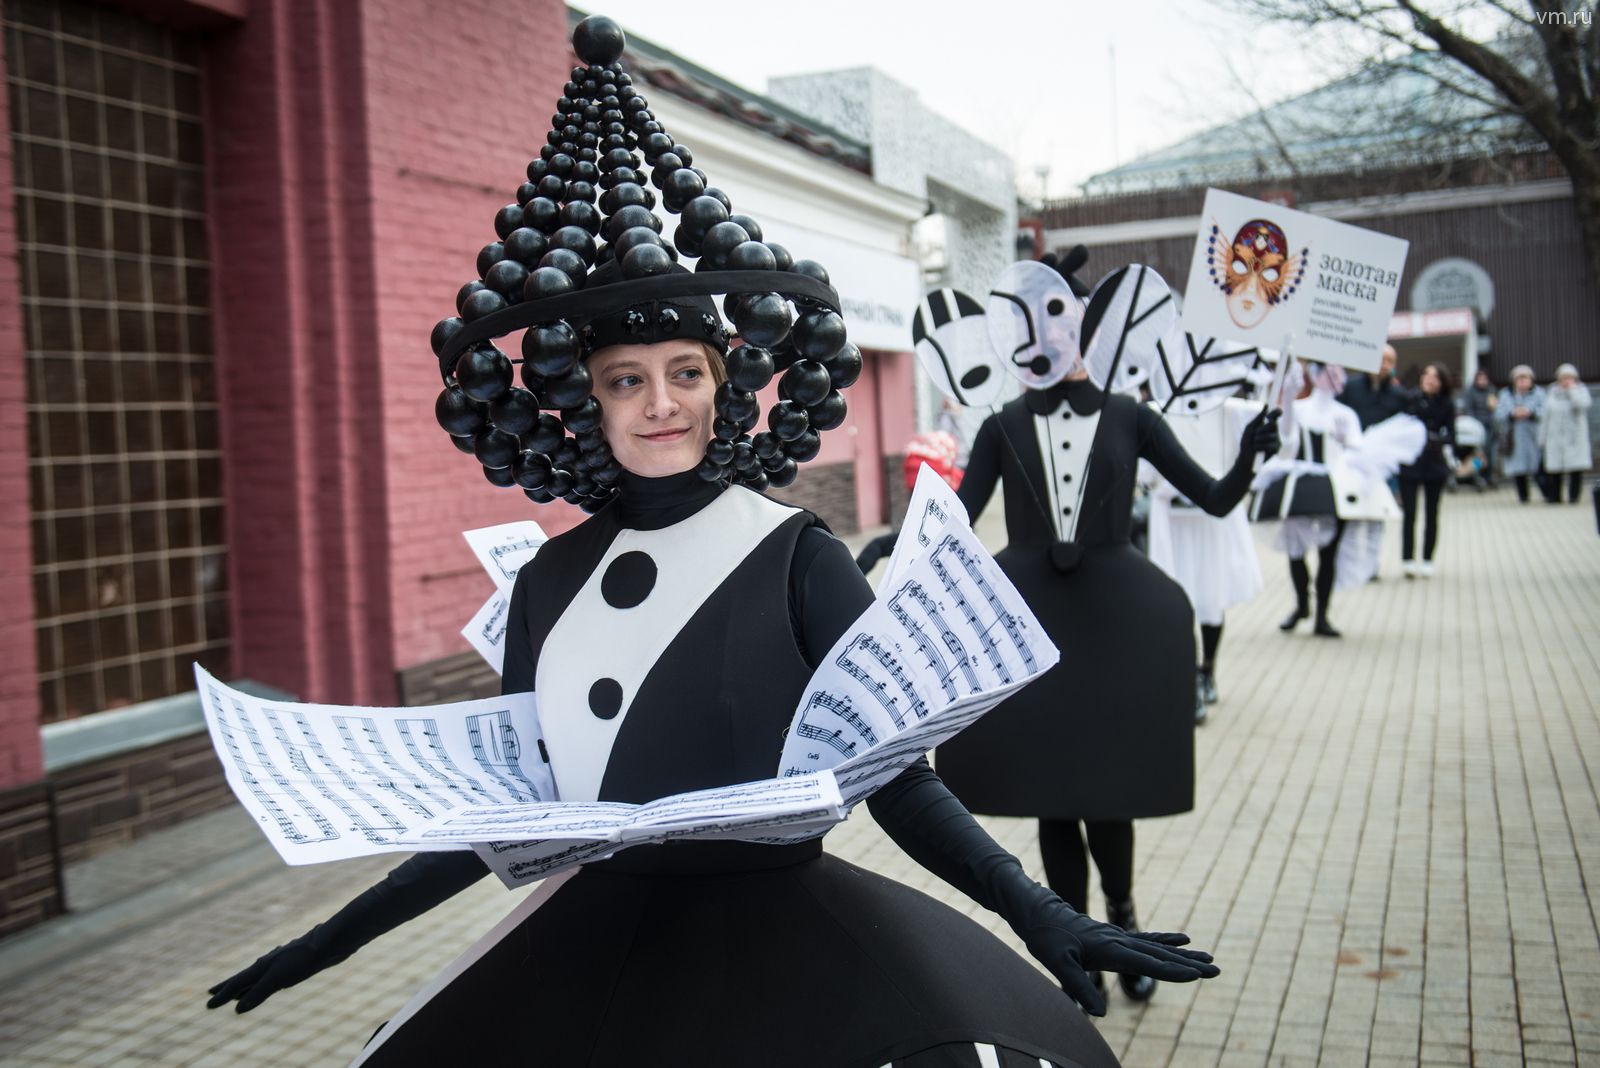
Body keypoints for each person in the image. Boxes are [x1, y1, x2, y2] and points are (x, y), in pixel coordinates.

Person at [202, 17, 1217, 1066]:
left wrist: (1031, 907)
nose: (659, 406)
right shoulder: (548, 582)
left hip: (788, 961)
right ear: (579, 403)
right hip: (593, 961)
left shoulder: (799, 557)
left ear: (722, 386)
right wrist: (332, 935)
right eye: (624, 381)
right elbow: (507, 811)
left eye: (685, 373)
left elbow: (901, 779)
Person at [931, 257, 1280, 1006]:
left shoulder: (1131, 416)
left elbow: (1214, 499)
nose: (1044, 331)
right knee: (1054, 797)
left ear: (1084, 321)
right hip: (1030, 629)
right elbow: (957, 513)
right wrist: (895, 545)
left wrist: (1250, 454)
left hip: (1113, 626)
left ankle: (1121, 917)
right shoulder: (1002, 423)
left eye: (1055, 312)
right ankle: (1076, 929)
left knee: (1108, 795)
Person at [1143, 396, 1265, 723]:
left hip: (1211, 519)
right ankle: (1187, 681)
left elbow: (1268, 451)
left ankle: (1206, 669)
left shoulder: (1230, 410)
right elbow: (1143, 474)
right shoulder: (1154, 411)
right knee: (1177, 600)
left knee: (1211, 594)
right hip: (1171, 521)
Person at [1399, 364, 1455, 577]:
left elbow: (1452, 436)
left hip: (1434, 464)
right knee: (1409, 513)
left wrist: (1436, 438)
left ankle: (1428, 558)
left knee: (1432, 514)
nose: (1430, 380)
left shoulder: (1447, 405)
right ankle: (1407, 559)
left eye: (1435, 377)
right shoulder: (1411, 400)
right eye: (1426, 375)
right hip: (1411, 463)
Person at [1540, 363, 1592, 504]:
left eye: (1569, 377)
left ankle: (1574, 497)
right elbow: (1545, 416)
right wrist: (1542, 438)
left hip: (1575, 438)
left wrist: (1572, 390)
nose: (1565, 381)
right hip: (1555, 437)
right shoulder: (1552, 393)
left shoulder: (1580, 390)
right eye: (1563, 378)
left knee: (1575, 469)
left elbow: (1583, 405)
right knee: (1555, 470)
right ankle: (1555, 497)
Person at [1497, 365, 1546, 503]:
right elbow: (1498, 414)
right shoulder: (1506, 394)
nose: (1522, 382)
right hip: (1514, 438)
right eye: (1519, 379)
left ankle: (1547, 494)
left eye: (1525, 379)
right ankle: (1523, 497)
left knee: (1538, 467)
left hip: (1534, 436)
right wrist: (1512, 413)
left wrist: (1530, 412)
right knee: (1518, 469)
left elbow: (1545, 411)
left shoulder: (1539, 393)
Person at [1339, 343, 1406, 429]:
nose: (1385, 365)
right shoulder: (1349, 386)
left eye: (1390, 361)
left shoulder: (1399, 395)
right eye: (1382, 359)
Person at [1460, 368, 1498, 484]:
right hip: (1476, 429)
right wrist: (1477, 424)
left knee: (1491, 454)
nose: (1482, 381)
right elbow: (1468, 410)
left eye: (1484, 379)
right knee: (1479, 455)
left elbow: (1495, 409)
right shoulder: (1470, 392)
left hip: (1491, 428)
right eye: (1480, 379)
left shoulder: (1491, 391)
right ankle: (1477, 475)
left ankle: (1489, 476)